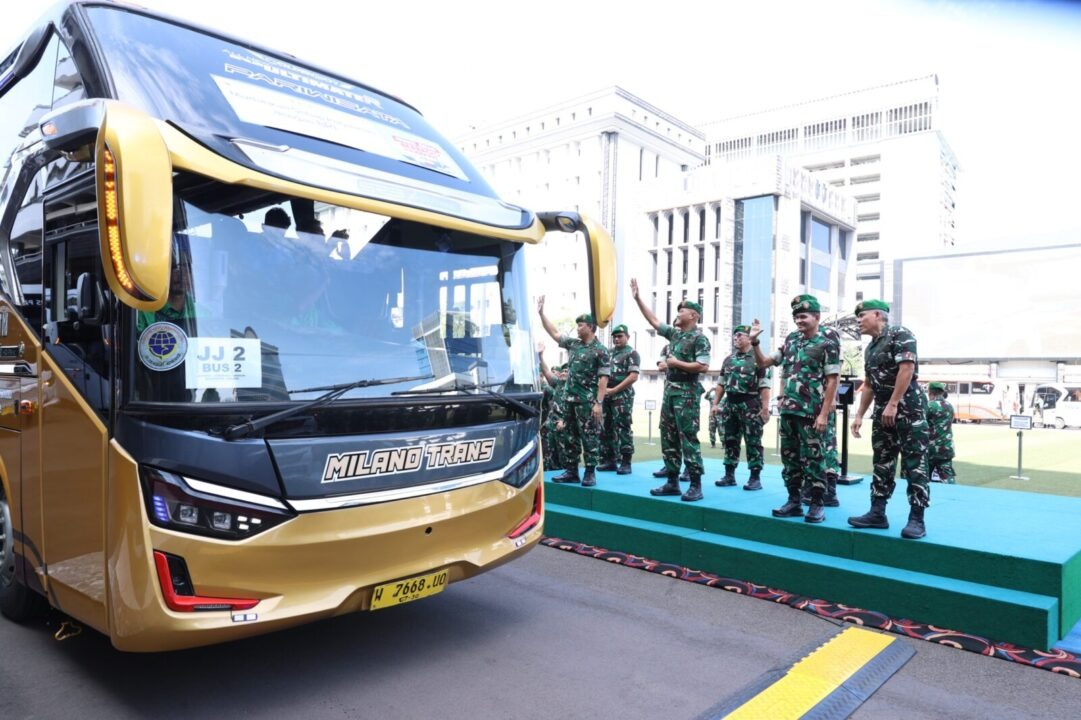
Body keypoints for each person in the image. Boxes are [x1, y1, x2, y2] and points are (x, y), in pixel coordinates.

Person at [750, 295, 840, 523]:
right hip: (789, 410)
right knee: (790, 459)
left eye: (803, 316)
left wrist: (823, 414)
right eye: (796, 317)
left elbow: (832, 380)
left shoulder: (827, 340)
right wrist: (754, 343)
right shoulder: (791, 340)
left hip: (811, 412)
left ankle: (817, 503)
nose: (799, 321)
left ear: (816, 317)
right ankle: (794, 500)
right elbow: (764, 363)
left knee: (814, 459)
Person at [847, 299, 930, 540]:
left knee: (915, 461)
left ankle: (917, 518)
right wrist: (860, 415)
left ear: (877, 315)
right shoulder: (870, 348)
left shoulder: (900, 334)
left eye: (862, 316)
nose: (858, 321)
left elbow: (907, 369)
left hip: (908, 408)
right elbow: (870, 384)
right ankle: (877, 512)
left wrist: (894, 403)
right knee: (882, 461)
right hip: (884, 410)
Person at [630, 279, 711, 502]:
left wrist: (677, 364)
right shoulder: (675, 335)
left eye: (682, 310)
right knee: (668, 437)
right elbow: (654, 321)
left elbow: (703, 366)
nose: (678, 313)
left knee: (688, 438)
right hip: (670, 392)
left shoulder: (699, 338)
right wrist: (638, 298)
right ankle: (673, 482)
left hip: (687, 393)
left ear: (693, 315)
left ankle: (695, 484)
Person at [537, 296, 610, 487]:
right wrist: (541, 313)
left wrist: (598, 403)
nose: (577, 328)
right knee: (569, 436)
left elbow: (604, 378)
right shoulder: (574, 345)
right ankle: (571, 470)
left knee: (589, 436)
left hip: (587, 401)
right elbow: (555, 333)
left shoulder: (600, 351)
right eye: (577, 325)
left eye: (581, 325)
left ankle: (590, 472)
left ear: (591, 327)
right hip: (569, 400)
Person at [714, 326, 772, 491]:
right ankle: (729, 475)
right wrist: (715, 404)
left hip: (750, 404)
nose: (736, 338)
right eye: (734, 336)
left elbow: (765, 386)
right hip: (730, 404)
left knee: (753, 441)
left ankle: (755, 477)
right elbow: (721, 384)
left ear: (748, 338)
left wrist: (765, 408)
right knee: (730, 440)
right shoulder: (728, 359)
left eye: (739, 336)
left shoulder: (758, 359)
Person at [802, 324, 843, 507]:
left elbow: (835, 370)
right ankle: (811, 485)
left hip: (824, 400)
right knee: (809, 444)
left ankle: (830, 489)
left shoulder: (827, 334)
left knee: (827, 443)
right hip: (806, 401)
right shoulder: (800, 337)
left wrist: (833, 397)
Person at [597, 324, 640, 475]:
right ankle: (610, 460)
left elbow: (633, 376)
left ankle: (626, 461)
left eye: (620, 336)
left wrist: (614, 390)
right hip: (606, 394)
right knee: (606, 427)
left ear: (627, 337)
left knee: (623, 427)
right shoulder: (608, 353)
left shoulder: (632, 353)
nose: (616, 339)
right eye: (614, 336)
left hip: (622, 395)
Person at [926, 381, 957, 484]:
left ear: (930, 392)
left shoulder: (929, 405)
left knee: (925, 477)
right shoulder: (949, 406)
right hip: (947, 447)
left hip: (931, 448)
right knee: (947, 476)